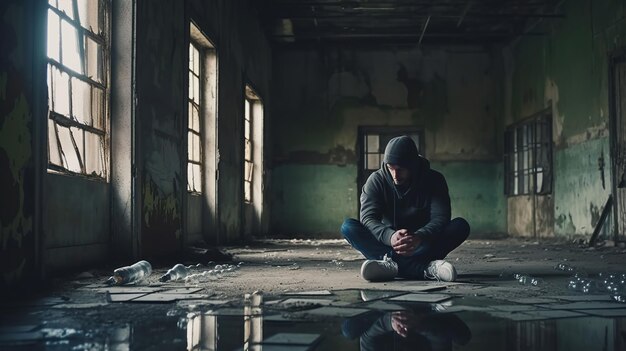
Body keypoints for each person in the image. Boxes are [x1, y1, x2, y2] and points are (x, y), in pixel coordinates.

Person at [341, 135, 470, 282]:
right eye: (391, 168)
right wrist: (390, 236)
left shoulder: (434, 179)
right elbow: (368, 218)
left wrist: (419, 237)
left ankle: (390, 266)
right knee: (348, 227)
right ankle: (425, 269)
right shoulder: (376, 180)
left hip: (423, 243)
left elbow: (440, 217)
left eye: (401, 169)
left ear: (413, 165)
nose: (395, 175)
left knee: (460, 226)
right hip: (388, 244)